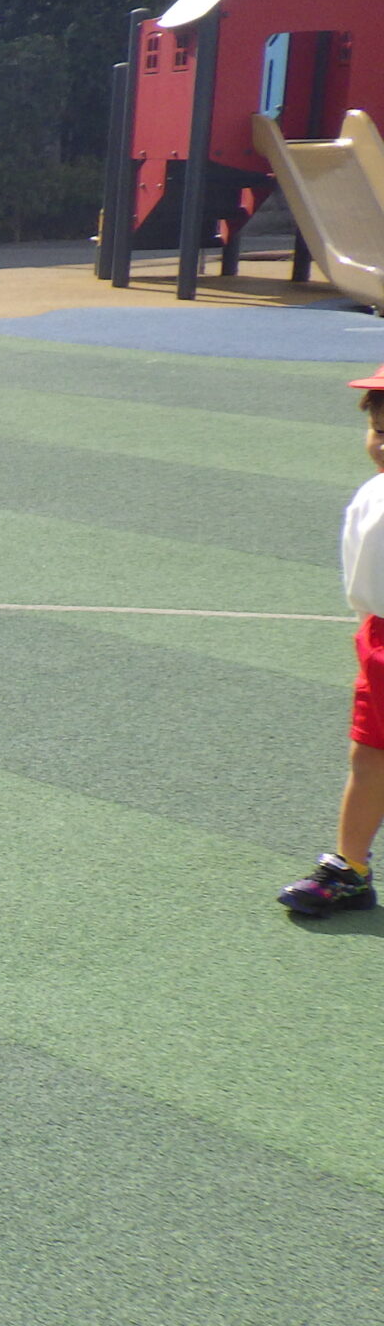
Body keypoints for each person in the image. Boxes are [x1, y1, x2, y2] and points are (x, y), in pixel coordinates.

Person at [280, 365, 384, 915]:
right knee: (368, 756)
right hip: (380, 642)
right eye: (380, 431)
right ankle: (351, 869)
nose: (383, 444)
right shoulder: (372, 494)